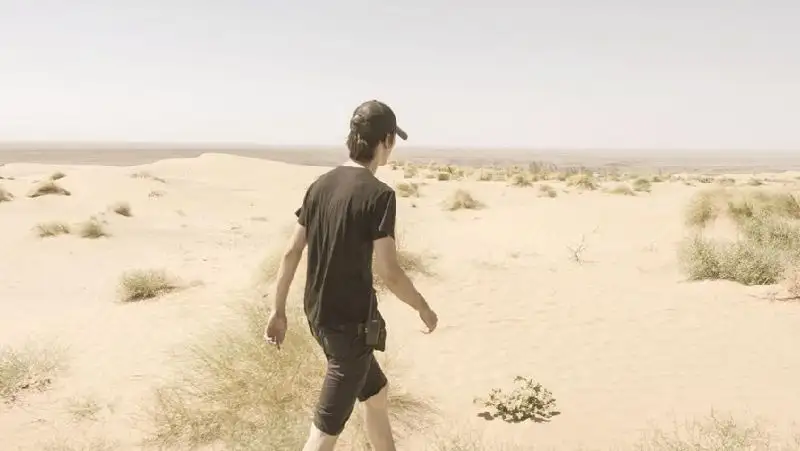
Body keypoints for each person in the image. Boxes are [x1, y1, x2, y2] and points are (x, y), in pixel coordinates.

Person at [264, 99, 439, 451]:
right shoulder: (379, 195)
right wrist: (423, 307)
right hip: (350, 328)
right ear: (386, 140)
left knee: (376, 393)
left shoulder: (320, 185)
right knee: (323, 435)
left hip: (318, 317)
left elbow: (292, 251)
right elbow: (389, 272)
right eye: (393, 141)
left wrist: (277, 310)